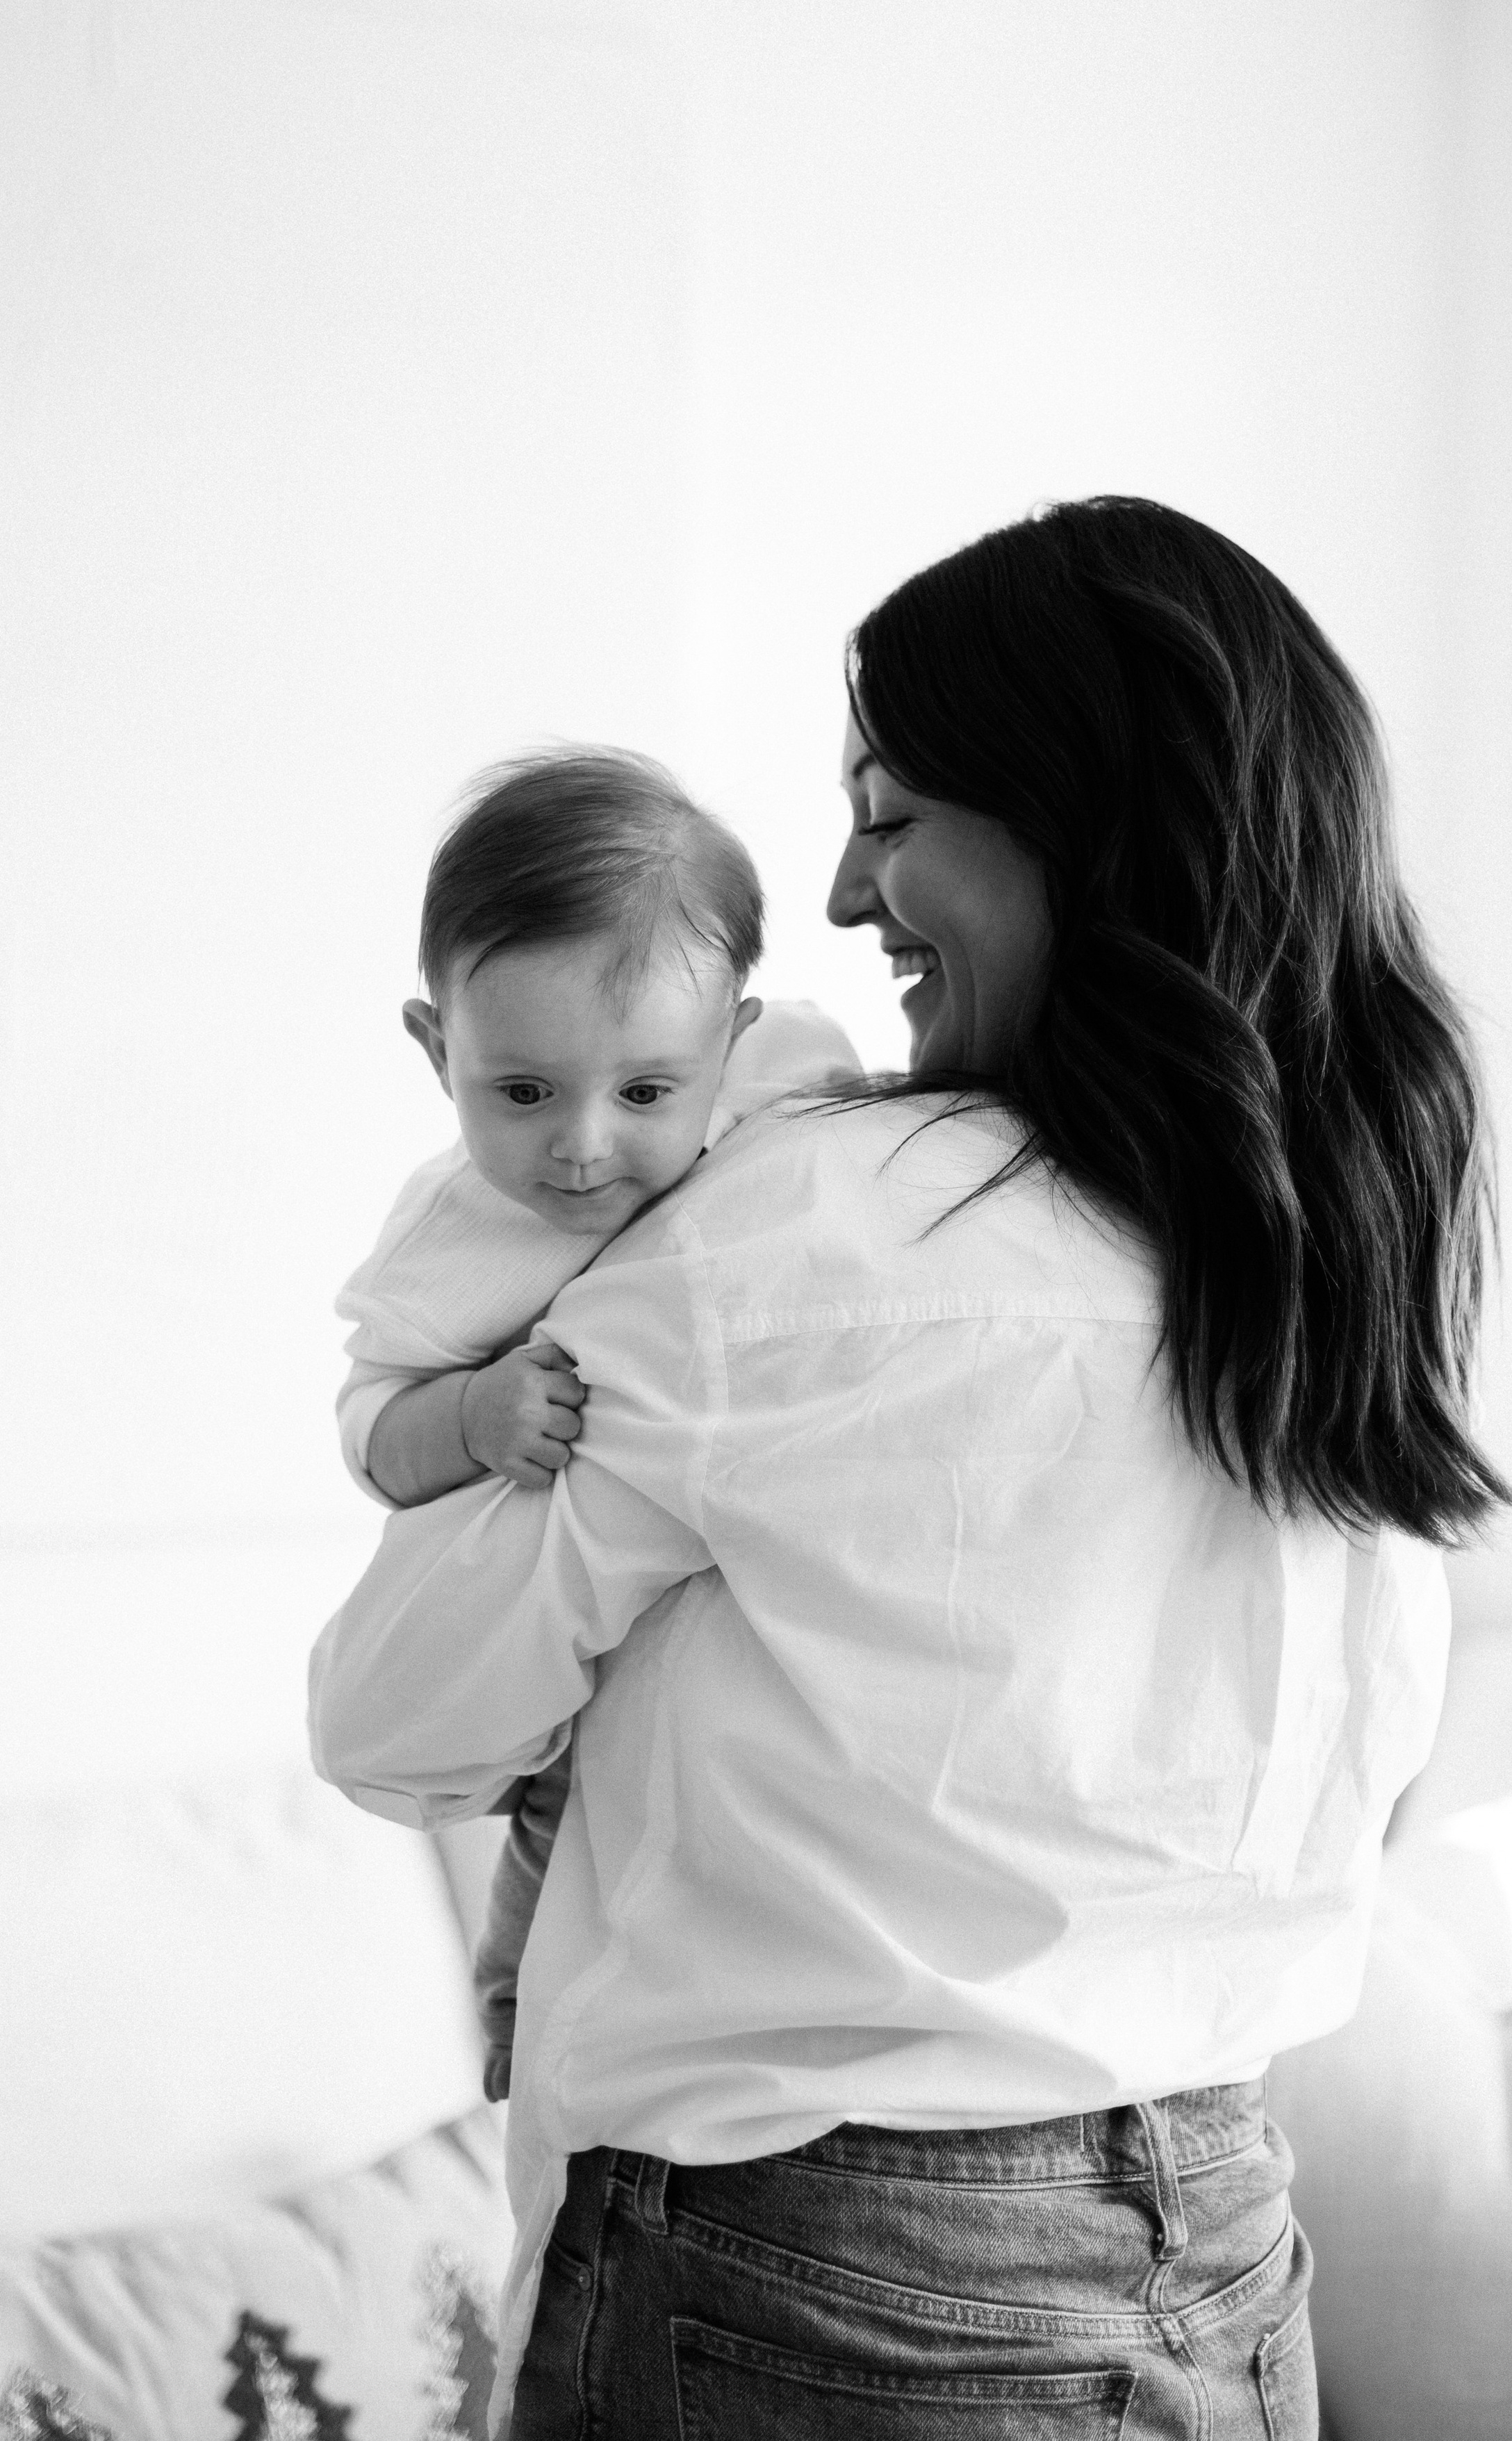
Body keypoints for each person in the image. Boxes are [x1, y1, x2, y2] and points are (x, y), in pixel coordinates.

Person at [311, 498, 1503, 2440]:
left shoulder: (809, 1220)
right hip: (1223, 2254)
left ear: (1069, 830)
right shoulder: (1342, 1247)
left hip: (815, 2282)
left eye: (894, 811)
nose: (850, 897)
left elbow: (394, 1723)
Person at [336, 746, 857, 2101]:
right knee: (560, 1843)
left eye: (642, 1094)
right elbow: (373, 1434)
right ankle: (510, 2022)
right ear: (432, 1044)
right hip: (540, 1644)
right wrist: (471, 1410)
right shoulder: (449, 1241)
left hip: (724, 1611)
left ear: (731, 1045)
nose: (578, 1146)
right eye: (519, 1093)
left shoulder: (786, 1074)